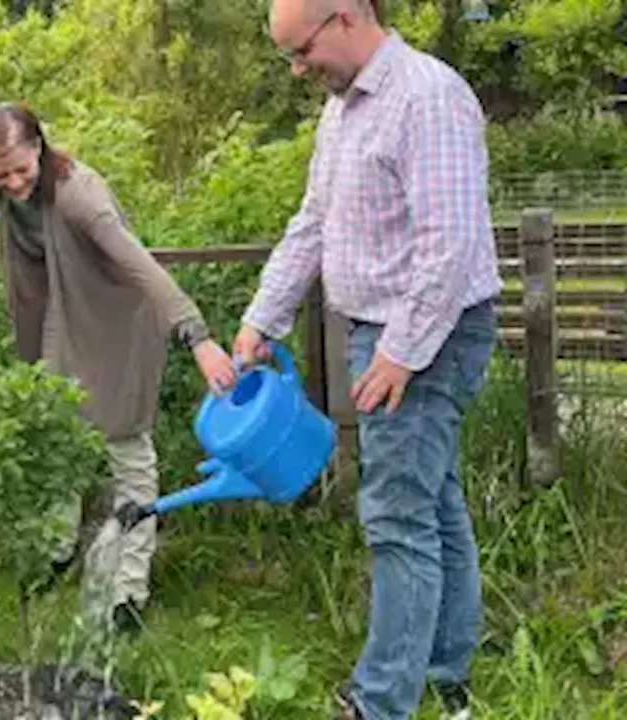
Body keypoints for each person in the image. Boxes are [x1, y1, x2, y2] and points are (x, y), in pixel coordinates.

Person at [234, 1, 501, 718]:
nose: (297, 70)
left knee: (394, 517)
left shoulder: (427, 96)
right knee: (433, 502)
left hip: (427, 334)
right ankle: (447, 673)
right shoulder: (344, 109)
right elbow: (314, 221)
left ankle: (380, 703)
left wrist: (400, 355)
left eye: (301, 51)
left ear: (346, 17)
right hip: (385, 331)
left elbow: (449, 247)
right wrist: (265, 314)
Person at [0, 102, 238, 633]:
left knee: (127, 450)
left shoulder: (79, 194)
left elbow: (141, 265)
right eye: (2, 176)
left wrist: (197, 335)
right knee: (61, 440)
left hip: (117, 328)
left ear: (39, 148)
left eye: (23, 170)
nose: (16, 183)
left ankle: (128, 591)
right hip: (63, 328)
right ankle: (59, 549)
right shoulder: (8, 204)